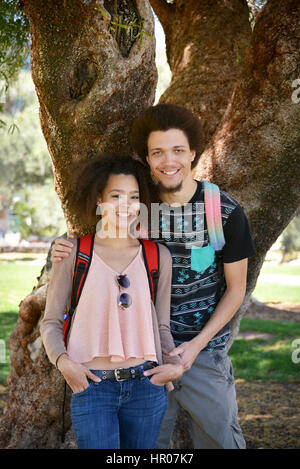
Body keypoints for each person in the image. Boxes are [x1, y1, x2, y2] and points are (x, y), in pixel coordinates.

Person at [51, 104, 255, 449]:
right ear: (146, 158)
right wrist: (60, 245)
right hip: (141, 358)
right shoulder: (137, 204)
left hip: (202, 353)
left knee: (221, 440)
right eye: (157, 152)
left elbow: (236, 290)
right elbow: (99, 244)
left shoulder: (223, 210)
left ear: (193, 153)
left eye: (178, 150)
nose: (168, 161)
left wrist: (194, 348)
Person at [40, 153, 183, 450]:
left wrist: (175, 366)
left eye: (133, 197)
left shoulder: (158, 257)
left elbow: (161, 325)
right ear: (98, 200)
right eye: (116, 195)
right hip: (92, 386)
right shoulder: (73, 254)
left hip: (147, 385)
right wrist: (64, 363)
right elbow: (51, 321)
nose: (125, 205)